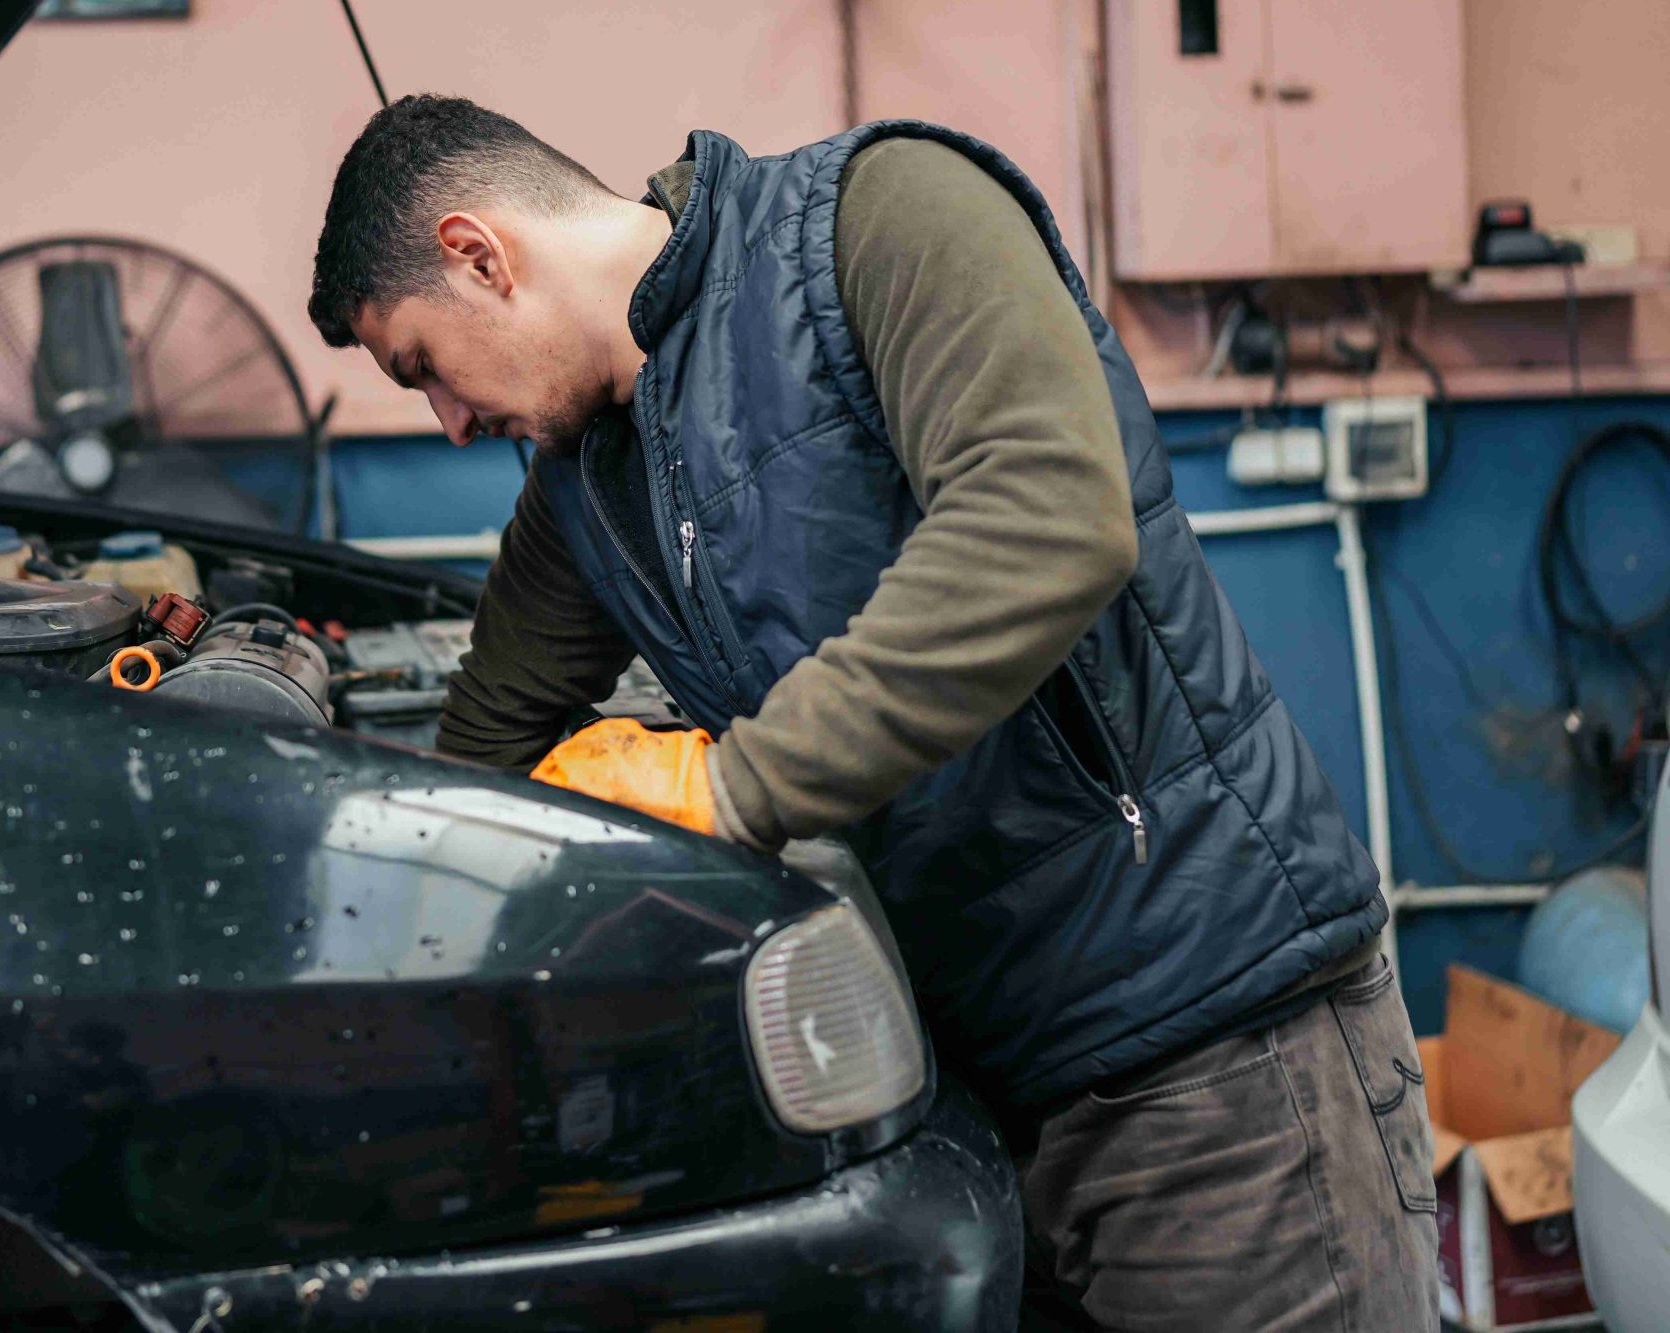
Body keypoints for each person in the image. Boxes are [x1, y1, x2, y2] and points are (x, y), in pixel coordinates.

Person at [305, 96, 1437, 1331]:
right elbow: (482, 748)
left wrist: (729, 792)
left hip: (1209, 1059)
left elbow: (1047, 523)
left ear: (479, 254)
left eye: (424, 367)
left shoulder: (875, 219)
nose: (450, 422)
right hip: (971, 1101)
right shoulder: (591, 480)